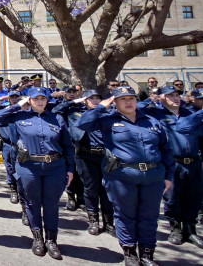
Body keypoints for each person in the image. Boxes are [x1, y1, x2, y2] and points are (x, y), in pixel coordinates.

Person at [77, 87, 174, 266]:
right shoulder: (107, 120)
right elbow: (83, 124)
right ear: (114, 102)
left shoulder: (151, 120)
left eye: (131, 98)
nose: (128, 102)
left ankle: (147, 254)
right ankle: (129, 252)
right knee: (125, 215)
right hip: (122, 176)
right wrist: (101, 107)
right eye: (123, 99)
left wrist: (168, 176)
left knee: (149, 216)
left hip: (153, 176)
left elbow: (165, 150)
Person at [0, 87, 74, 260]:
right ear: (29, 100)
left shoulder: (56, 118)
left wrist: (70, 168)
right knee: (32, 202)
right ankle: (37, 238)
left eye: (42, 98)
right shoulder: (20, 116)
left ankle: (51, 240)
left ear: (46, 100)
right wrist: (18, 105)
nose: (39, 101)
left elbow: (67, 145)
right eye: (35, 98)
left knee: (51, 204)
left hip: (54, 166)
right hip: (29, 166)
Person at [139, 86, 203, 249]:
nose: (175, 98)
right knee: (172, 198)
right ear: (162, 98)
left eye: (177, 95)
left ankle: (190, 229)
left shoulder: (190, 113)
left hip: (194, 161)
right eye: (170, 95)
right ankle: (175, 229)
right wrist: (151, 99)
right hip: (171, 163)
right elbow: (136, 109)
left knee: (194, 197)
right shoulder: (155, 113)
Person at [53, 89, 115, 237]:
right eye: (91, 98)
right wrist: (75, 101)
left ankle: (108, 223)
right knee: (91, 188)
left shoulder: (108, 113)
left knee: (107, 190)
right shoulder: (76, 112)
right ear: (85, 100)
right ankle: (94, 221)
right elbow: (56, 110)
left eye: (97, 98)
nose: (94, 101)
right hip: (85, 155)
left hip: (105, 155)